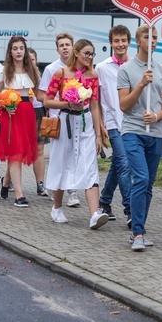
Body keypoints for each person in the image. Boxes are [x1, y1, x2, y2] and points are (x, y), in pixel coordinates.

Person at [118, 25, 162, 251]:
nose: (152, 41)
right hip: (132, 131)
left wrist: (157, 115)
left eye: (155, 38)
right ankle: (138, 233)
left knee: (148, 184)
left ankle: (139, 228)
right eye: (147, 37)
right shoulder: (126, 69)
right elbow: (124, 106)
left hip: (156, 133)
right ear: (137, 41)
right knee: (140, 178)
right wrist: (141, 83)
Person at [44, 39, 108, 229]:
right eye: (86, 53)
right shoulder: (61, 73)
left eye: (92, 54)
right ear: (77, 53)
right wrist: (67, 104)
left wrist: (98, 134)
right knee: (61, 163)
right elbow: (47, 101)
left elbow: (95, 106)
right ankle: (57, 207)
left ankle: (95, 214)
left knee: (90, 165)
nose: (89, 57)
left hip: (85, 121)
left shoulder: (93, 75)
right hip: (66, 122)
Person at [0, 36, 39, 207]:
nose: (18, 51)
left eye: (21, 48)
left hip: (26, 113)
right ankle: (19, 195)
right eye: (15, 48)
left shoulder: (31, 69)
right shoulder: (3, 71)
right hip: (10, 114)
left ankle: (5, 182)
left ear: (25, 50)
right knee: (14, 154)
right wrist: (2, 104)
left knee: (18, 153)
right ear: (10, 51)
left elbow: (38, 93)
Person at [37, 32, 80, 207]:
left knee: (73, 155)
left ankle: (71, 190)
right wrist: (61, 103)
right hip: (58, 119)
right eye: (61, 45)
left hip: (76, 118)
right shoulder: (51, 69)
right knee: (59, 157)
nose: (65, 48)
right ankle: (61, 189)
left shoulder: (79, 69)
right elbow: (41, 95)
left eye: (67, 44)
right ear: (57, 49)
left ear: (73, 47)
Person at [95, 25, 132, 225]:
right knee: (124, 163)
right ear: (110, 43)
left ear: (129, 42)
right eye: (116, 41)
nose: (120, 44)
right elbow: (97, 100)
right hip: (112, 122)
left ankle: (104, 201)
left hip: (130, 123)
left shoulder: (134, 65)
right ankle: (130, 209)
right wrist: (100, 125)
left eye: (123, 40)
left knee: (119, 164)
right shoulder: (102, 67)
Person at [27, 47, 48, 197]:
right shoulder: (17, 75)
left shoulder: (40, 76)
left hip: (38, 112)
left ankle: (40, 183)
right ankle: (7, 182)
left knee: (39, 149)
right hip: (23, 114)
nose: (30, 62)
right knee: (19, 150)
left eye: (32, 59)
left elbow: (44, 96)